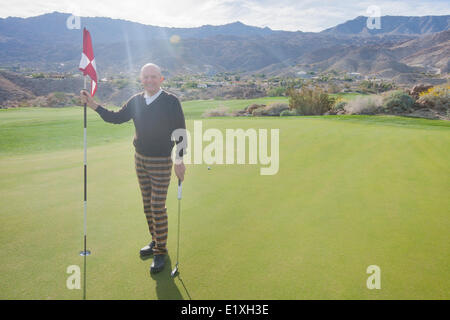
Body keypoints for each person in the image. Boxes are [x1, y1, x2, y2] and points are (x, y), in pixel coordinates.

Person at [80, 63, 186, 274]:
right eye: (146, 77)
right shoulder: (136, 100)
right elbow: (116, 117)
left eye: (153, 76)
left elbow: (180, 131)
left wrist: (180, 159)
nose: (149, 80)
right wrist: (93, 105)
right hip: (140, 159)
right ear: (141, 80)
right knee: (147, 205)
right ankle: (155, 240)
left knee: (157, 206)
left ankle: (160, 252)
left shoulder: (171, 101)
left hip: (161, 161)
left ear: (161, 79)